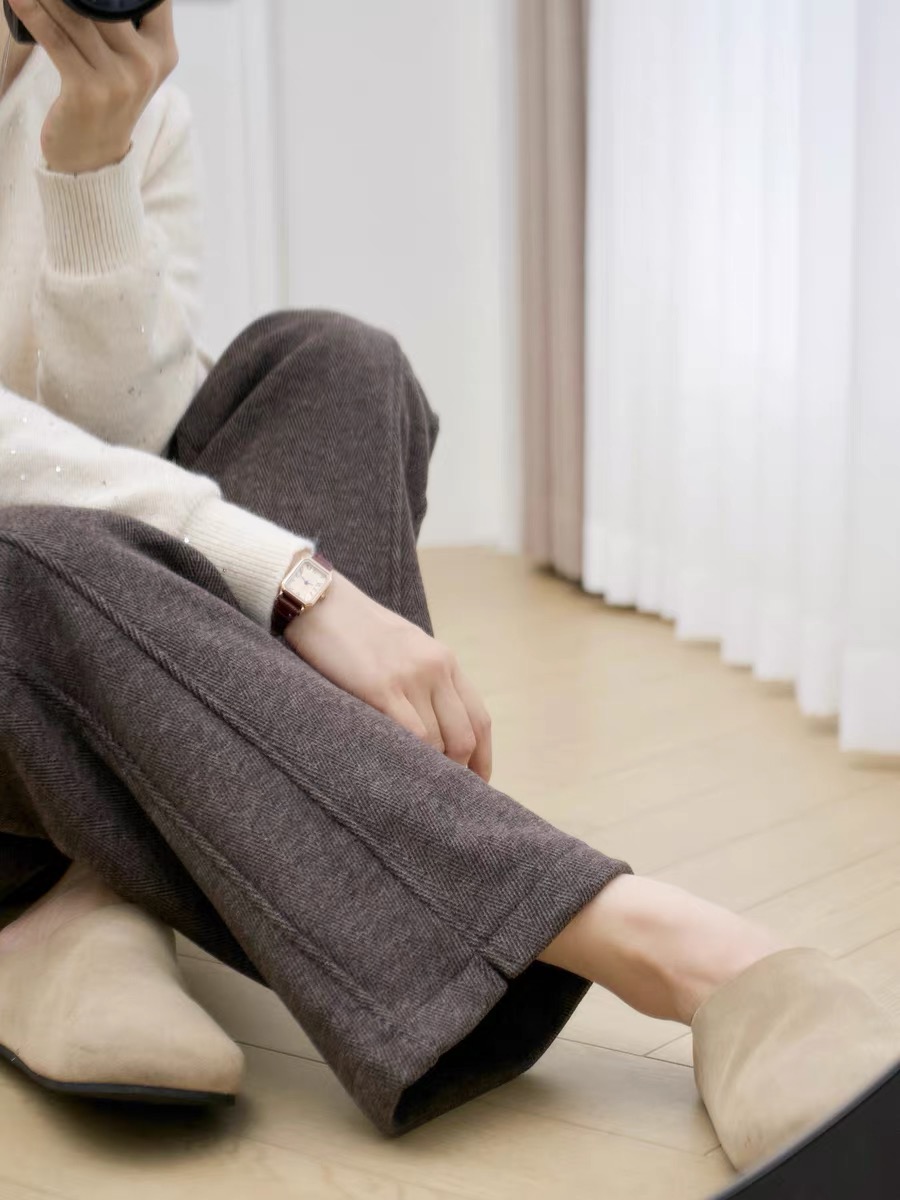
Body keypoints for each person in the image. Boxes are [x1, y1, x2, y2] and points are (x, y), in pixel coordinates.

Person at [0, 0, 896, 1175]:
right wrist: (299, 588)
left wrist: (88, 161)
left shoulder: (120, 99)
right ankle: (683, 952)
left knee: (332, 361)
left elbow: (118, 438)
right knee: (18, 558)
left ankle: (96, 887)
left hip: (63, 694)